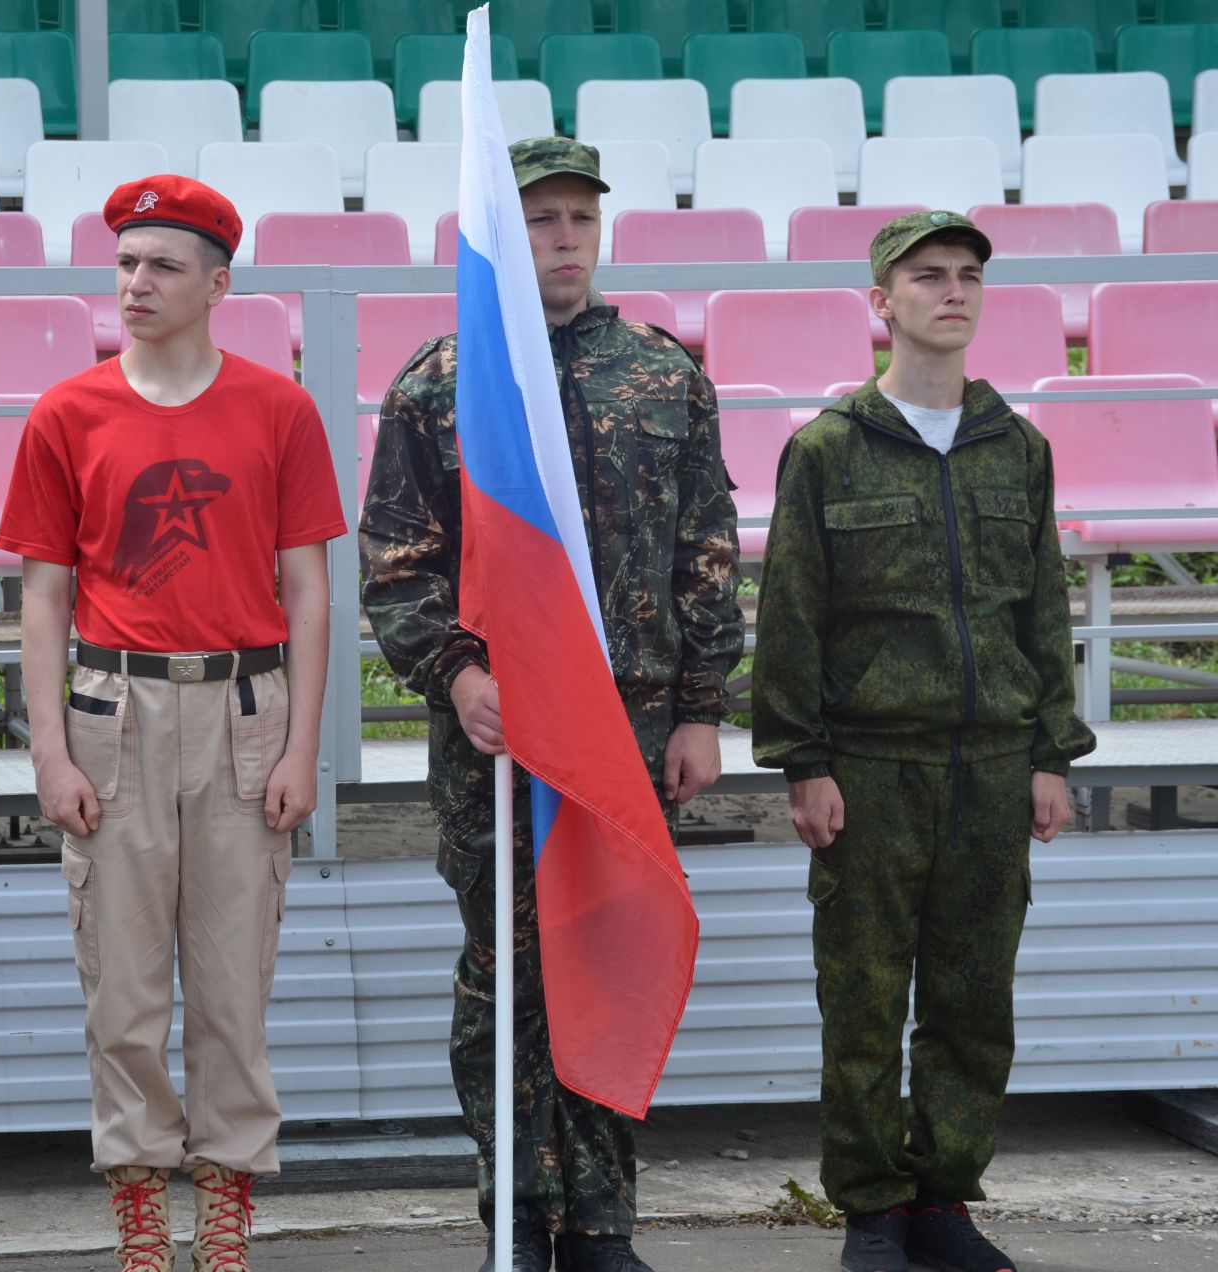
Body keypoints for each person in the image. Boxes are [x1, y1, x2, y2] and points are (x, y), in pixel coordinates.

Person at [360, 137, 743, 1272]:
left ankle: (603, 1219)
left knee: (606, 959)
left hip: (624, 729)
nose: (563, 238)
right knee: (504, 971)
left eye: (579, 217)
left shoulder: (666, 376)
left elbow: (707, 554)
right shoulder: (444, 382)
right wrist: (459, 676)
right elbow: (398, 560)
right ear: (498, 238)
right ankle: (518, 1213)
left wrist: (702, 709)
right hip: (496, 732)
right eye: (538, 221)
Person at [0, 174, 347, 1272]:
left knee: (234, 986)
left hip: (246, 711)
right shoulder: (68, 412)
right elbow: (44, 596)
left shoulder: (278, 409)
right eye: (127, 263)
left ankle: (228, 1196)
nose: (137, 283)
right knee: (125, 987)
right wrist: (50, 750)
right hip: (116, 712)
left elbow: (311, 592)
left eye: (163, 266)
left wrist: (302, 749)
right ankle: (141, 1199)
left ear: (219, 284)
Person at [750, 210, 1097, 1272]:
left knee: (972, 993)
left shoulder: (1017, 448)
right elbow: (793, 616)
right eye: (928, 276)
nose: (953, 292)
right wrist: (802, 762)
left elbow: (1040, 611)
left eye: (968, 277)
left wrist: (1051, 752)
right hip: (871, 764)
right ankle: (871, 1208)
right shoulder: (827, 449)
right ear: (881, 303)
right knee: (860, 995)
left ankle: (943, 1199)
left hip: (993, 761)